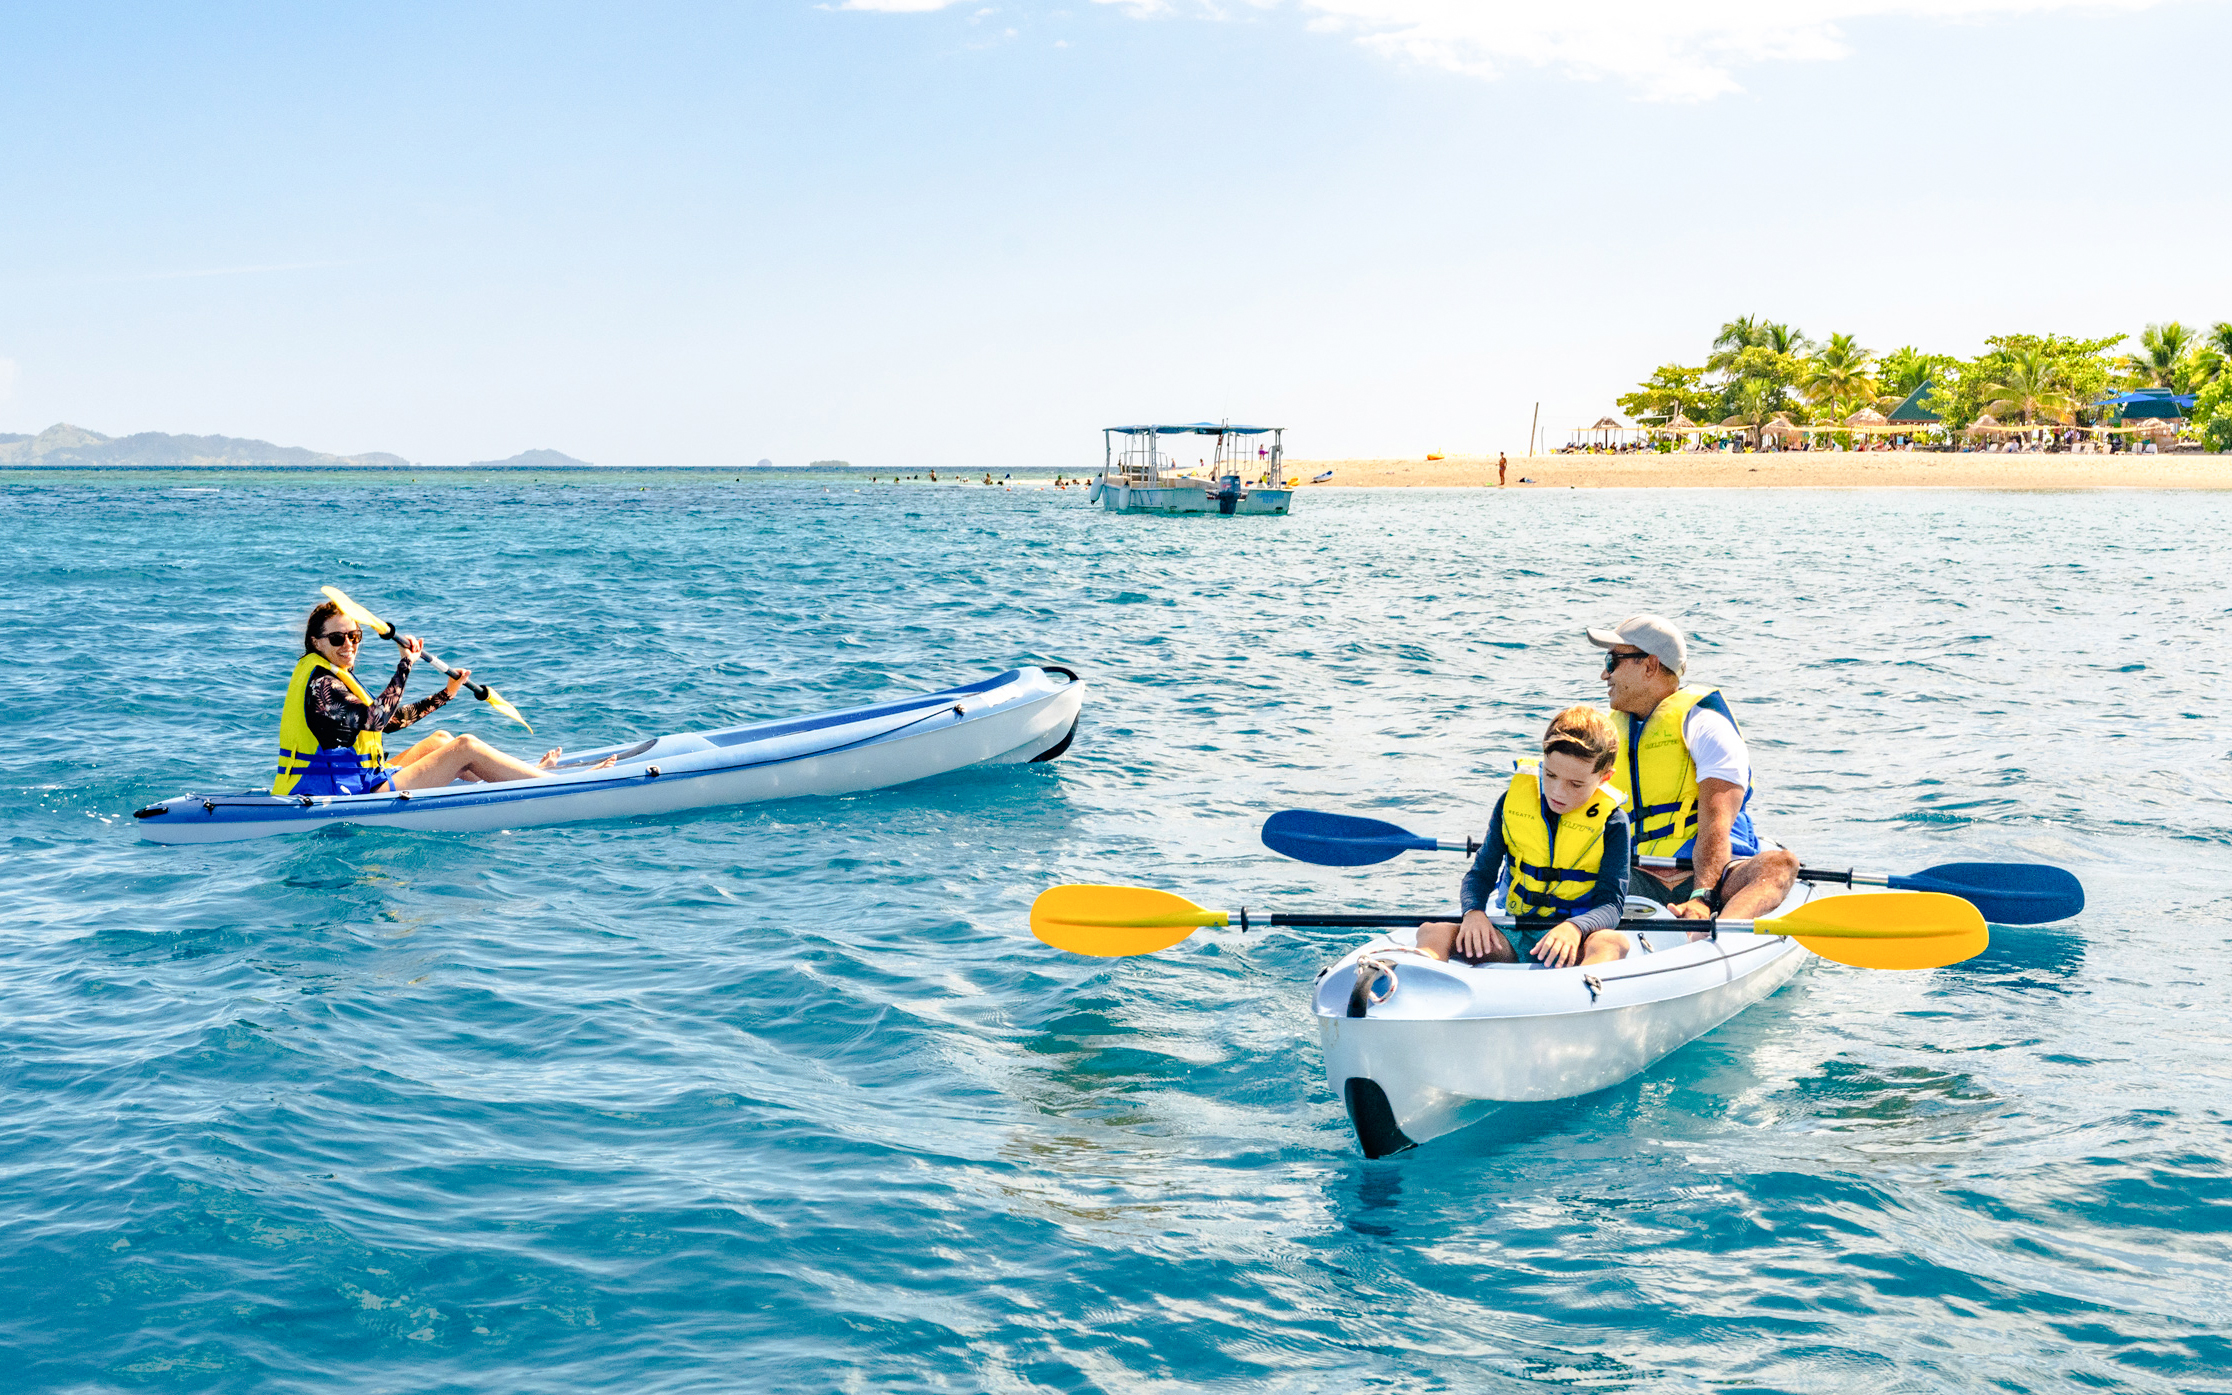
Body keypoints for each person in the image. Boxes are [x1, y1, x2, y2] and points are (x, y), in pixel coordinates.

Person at [1586, 615, 1798, 921]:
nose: (1604, 674)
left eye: (1613, 660)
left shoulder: (1707, 728)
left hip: (1714, 876)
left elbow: (1716, 822)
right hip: (1634, 874)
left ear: (1650, 666)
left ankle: (1720, 935)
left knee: (1781, 864)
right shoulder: (1607, 735)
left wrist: (1702, 897)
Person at [274, 600, 600, 797]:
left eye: (355, 636)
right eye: (337, 637)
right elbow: (377, 719)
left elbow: (392, 723)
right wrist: (405, 663)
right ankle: (553, 784)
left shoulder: (333, 674)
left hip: (360, 777)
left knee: (442, 740)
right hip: (340, 792)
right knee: (465, 747)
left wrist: (447, 693)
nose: (349, 643)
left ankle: (514, 778)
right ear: (316, 642)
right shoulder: (322, 685)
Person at [1417, 706, 1632, 969]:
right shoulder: (1511, 804)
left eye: (1575, 784)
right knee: (1432, 931)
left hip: (1575, 942)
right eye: (1550, 775)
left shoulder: (1614, 822)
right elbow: (1480, 874)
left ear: (1603, 778)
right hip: (1515, 936)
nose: (1558, 792)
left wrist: (1574, 928)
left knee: (1612, 943)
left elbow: (1611, 904)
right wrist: (1473, 912)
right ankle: (1416, 986)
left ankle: (1581, 997)